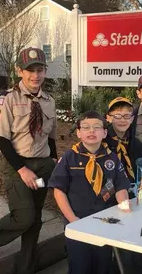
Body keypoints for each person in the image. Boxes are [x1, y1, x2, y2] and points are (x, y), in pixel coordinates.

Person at [0, 47, 57, 274]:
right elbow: (0, 138)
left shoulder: (49, 101)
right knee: (24, 216)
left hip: (43, 166)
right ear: (19, 71)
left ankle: (26, 267)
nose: (35, 75)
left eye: (40, 69)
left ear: (45, 71)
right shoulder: (7, 99)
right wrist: (22, 169)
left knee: (36, 218)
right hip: (16, 166)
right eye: (30, 70)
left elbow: (50, 137)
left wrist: (54, 161)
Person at [48, 110, 130, 274]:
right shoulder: (69, 158)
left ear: (105, 132)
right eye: (86, 127)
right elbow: (59, 191)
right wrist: (73, 219)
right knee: (80, 265)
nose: (91, 131)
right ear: (78, 132)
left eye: (97, 127)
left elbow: (121, 187)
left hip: (105, 222)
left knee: (103, 265)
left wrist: (125, 212)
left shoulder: (112, 158)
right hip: (77, 221)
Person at [105, 97, 142, 190]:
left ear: (132, 119)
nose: (122, 120)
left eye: (126, 116)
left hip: (133, 191)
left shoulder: (136, 144)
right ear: (108, 118)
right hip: (106, 194)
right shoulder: (102, 143)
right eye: (117, 116)